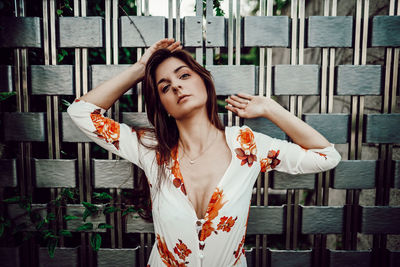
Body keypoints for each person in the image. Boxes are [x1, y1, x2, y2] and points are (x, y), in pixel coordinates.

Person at [67, 38, 341, 267]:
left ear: (205, 83)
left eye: (184, 75)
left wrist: (271, 109)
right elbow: (80, 112)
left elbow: (327, 156)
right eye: (164, 86)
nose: (175, 85)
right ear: (163, 106)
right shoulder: (150, 149)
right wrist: (140, 68)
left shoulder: (249, 146)